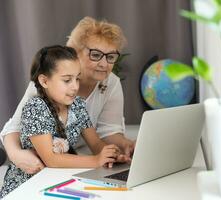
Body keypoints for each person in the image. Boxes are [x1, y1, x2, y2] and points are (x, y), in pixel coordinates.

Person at [0, 17, 135, 175]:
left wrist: (118, 152)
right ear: (75, 53)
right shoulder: (42, 92)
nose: (104, 64)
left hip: (75, 161)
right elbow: (15, 128)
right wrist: (16, 155)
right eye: (96, 54)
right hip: (40, 167)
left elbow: (104, 135)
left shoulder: (88, 98)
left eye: (111, 56)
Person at [0, 45, 129, 197]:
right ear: (44, 81)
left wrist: (111, 155)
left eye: (77, 79)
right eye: (67, 80)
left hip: (59, 180)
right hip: (29, 185)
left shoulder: (78, 105)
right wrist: (95, 160)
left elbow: (95, 143)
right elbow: (51, 160)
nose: (75, 86)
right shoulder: (36, 108)